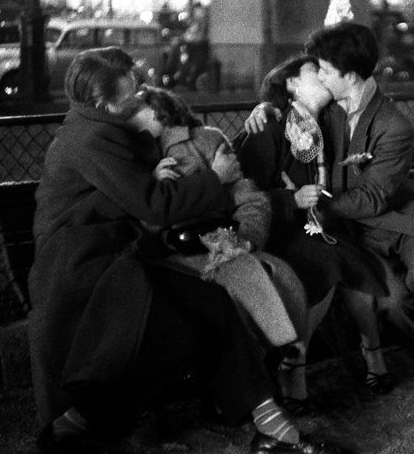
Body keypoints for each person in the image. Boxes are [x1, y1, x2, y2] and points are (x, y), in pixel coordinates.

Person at [28, 46, 350, 454]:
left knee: (212, 304)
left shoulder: (105, 127)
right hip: (86, 267)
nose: (143, 96)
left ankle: (273, 428)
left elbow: (153, 187)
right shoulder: (90, 138)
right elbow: (155, 205)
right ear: (102, 103)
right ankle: (76, 422)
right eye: (132, 94)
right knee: (187, 324)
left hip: (129, 257)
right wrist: (214, 177)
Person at [246, 23, 414, 423]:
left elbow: (373, 197)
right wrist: (266, 107)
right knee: (393, 300)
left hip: (403, 220)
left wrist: (310, 207)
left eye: (325, 69)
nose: (319, 74)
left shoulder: (393, 126)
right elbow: (290, 113)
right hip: (356, 231)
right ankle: (370, 356)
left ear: (348, 75)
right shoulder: (328, 109)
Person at [234, 54, 392, 414]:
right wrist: (290, 199)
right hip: (280, 231)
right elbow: (243, 195)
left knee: (344, 257)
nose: (323, 76)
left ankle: (371, 353)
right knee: (332, 259)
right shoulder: (269, 126)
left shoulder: (333, 121)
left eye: (325, 70)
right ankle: (298, 366)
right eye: (313, 71)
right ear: (291, 83)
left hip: (326, 225)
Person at [129, 84, 308, 350]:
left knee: (277, 275)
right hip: (168, 252)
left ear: (157, 112)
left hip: (219, 239)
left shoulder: (204, 141)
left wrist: (246, 238)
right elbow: (142, 216)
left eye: (135, 109)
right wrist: (155, 186)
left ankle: (282, 359)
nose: (127, 117)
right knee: (228, 291)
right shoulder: (126, 155)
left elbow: (250, 199)